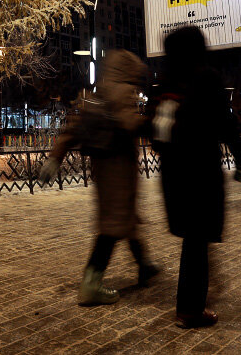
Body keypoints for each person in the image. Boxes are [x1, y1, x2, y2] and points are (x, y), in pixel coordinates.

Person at [40, 50, 158, 305]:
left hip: (102, 169)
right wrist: (152, 122)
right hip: (120, 168)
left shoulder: (95, 94)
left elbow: (72, 130)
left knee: (126, 219)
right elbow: (129, 124)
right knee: (114, 226)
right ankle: (90, 284)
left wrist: (54, 158)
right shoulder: (123, 91)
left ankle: (145, 265)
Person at [151, 27, 241, 329]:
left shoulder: (166, 83)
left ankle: (189, 306)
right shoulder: (206, 78)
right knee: (197, 241)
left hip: (173, 172)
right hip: (200, 171)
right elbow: (225, 121)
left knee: (194, 241)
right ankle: (190, 310)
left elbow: (156, 132)